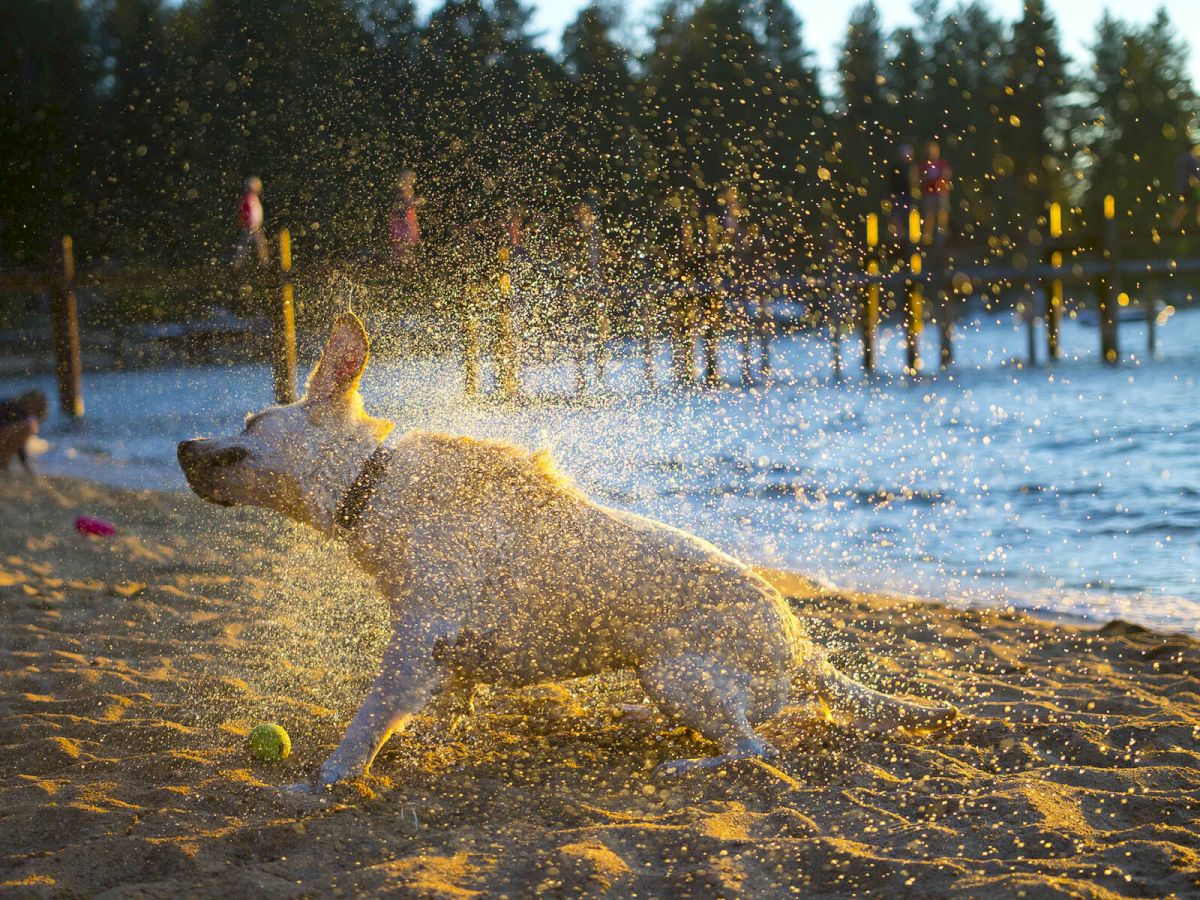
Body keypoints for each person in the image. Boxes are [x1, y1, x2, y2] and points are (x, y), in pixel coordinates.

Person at [917, 141, 951, 245]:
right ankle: (927, 238)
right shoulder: (924, 165)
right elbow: (920, 179)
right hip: (929, 194)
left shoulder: (942, 163)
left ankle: (940, 238)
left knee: (942, 214)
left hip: (941, 193)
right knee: (929, 215)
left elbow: (947, 175)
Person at [389, 169, 423, 265]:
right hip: (401, 224)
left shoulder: (409, 190)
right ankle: (399, 267)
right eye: (408, 178)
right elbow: (399, 207)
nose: (411, 180)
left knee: (409, 250)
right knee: (401, 249)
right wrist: (413, 203)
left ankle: (406, 267)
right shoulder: (398, 191)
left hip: (408, 222)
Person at [888, 144, 916, 250]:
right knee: (897, 217)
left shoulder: (911, 167)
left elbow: (913, 183)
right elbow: (893, 183)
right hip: (899, 196)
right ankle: (899, 238)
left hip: (906, 196)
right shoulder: (897, 167)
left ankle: (905, 239)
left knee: (905, 217)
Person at [234, 176, 267, 268]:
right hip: (250, 228)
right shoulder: (248, 198)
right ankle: (238, 268)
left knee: (258, 248)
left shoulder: (253, 198)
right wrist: (247, 224)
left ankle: (264, 267)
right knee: (244, 249)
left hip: (255, 227)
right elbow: (244, 214)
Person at [1170, 144, 1200, 231]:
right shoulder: (1193, 159)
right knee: (1189, 205)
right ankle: (1175, 224)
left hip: (1182, 185)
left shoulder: (1182, 158)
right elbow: (1196, 173)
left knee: (1185, 205)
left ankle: (1174, 224)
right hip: (1190, 186)